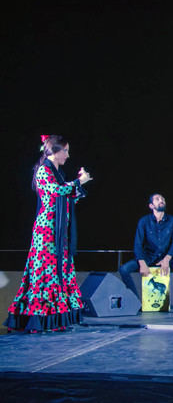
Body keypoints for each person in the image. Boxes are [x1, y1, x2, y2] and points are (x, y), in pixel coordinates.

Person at [4, 135, 92, 332]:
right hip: (47, 230)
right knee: (46, 272)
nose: (68, 155)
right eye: (66, 151)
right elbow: (56, 191)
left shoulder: (57, 172)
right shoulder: (44, 170)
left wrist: (77, 187)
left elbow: (64, 196)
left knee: (59, 271)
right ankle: (38, 319)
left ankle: (55, 320)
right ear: (56, 151)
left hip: (58, 230)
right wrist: (78, 182)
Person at [119, 194, 173, 314]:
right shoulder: (144, 221)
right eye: (157, 199)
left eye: (163, 199)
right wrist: (142, 262)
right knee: (124, 269)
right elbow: (138, 243)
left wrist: (167, 259)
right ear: (151, 206)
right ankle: (136, 301)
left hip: (166, 256)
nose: (161, 200)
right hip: (148, 257)